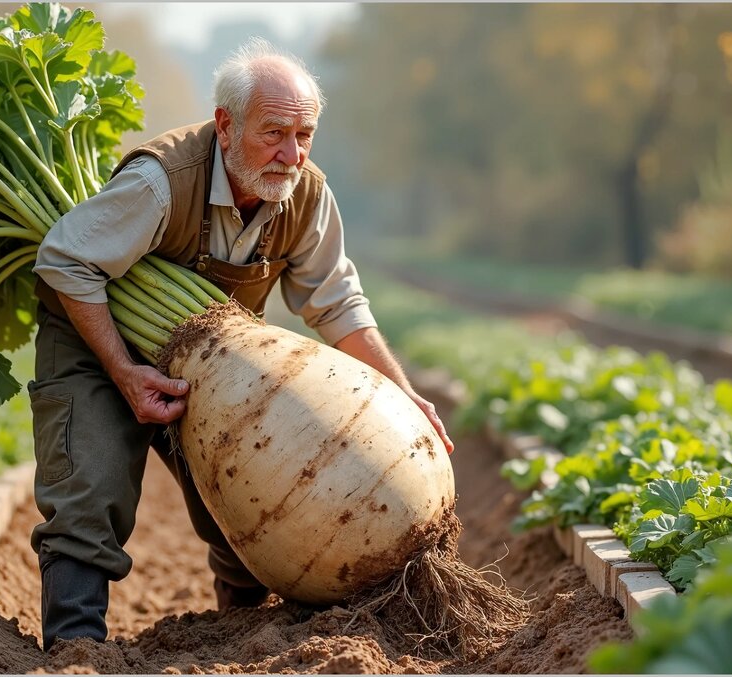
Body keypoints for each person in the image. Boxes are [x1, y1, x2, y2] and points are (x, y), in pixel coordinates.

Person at [28, 37, 455, 651]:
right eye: (274, 133)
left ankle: (241, 641)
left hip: (218, 362)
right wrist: (122, 370)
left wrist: (404, 394)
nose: (291, 154)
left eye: (304, 135)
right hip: (97, 343)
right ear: (226, 127)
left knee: (257, 500)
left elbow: (336, 303)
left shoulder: (306, 194)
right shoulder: (160, 182)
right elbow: (67, 261)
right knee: (89, 492)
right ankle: (74, 651)